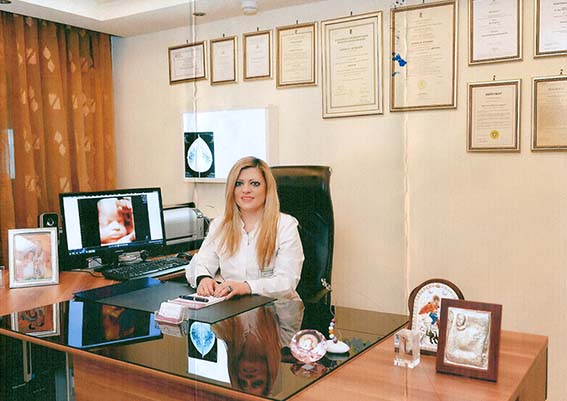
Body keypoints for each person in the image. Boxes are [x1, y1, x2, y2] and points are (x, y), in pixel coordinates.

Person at [186, 156, 304, 300]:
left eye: (255, 184)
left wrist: (246, 287)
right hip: (232, 306)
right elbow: (201, 262)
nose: (246, 190)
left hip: (277, 307)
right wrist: (203, 278)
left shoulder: (285, 226)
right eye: (239, 183)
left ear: (267, 189)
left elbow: (286, 282)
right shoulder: (220, 225)